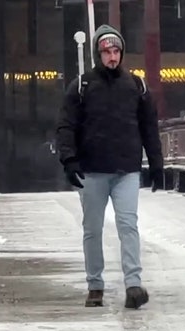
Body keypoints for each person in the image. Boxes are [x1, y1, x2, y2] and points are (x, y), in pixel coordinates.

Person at [55, 24, 164, 309]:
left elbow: (149, 127)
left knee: (128, 225)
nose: (112, 57)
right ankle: (95, 285)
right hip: (92, 170)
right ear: (97, 54)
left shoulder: (136, 86)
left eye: (116, 51)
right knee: (92, 228)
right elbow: (66, 126)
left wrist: (156, 163)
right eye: (106, 52)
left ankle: (134, 284)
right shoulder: (82, 87)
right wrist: (69, 159)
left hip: (126, 169)